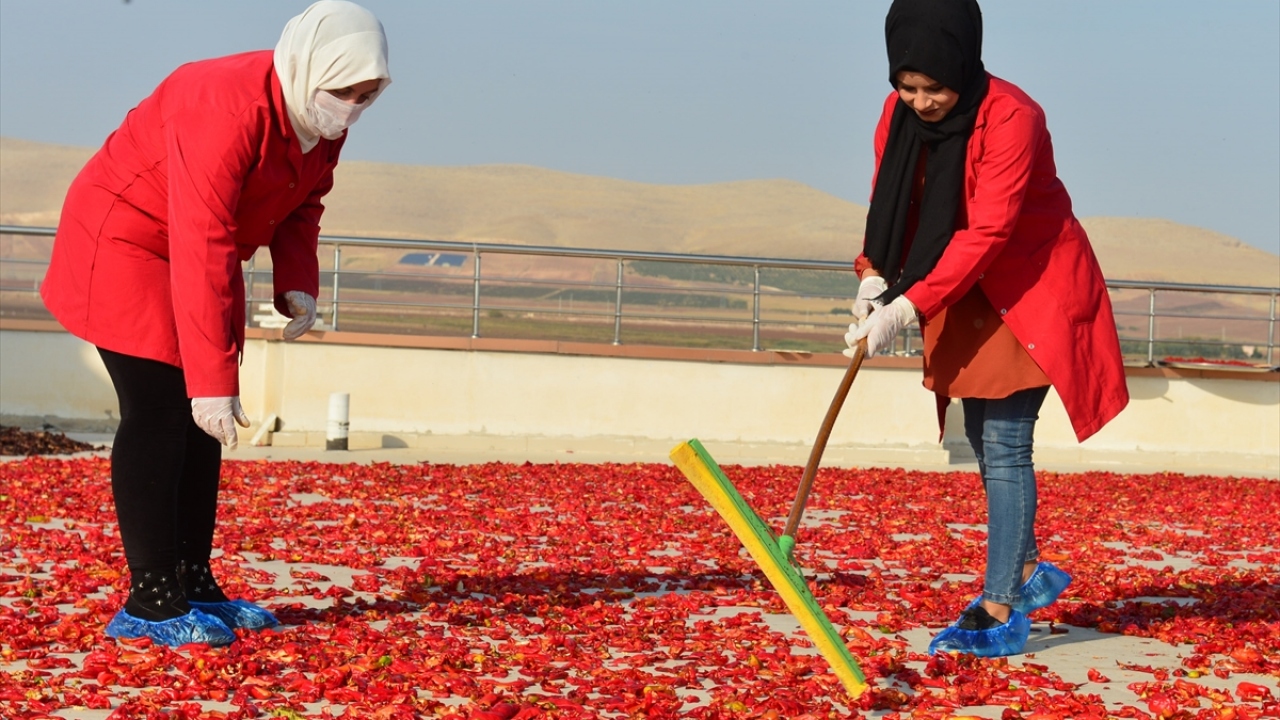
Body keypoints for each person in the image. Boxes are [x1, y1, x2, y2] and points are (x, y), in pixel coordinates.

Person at [40, 0, 390, 647]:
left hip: (206, 252)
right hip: (128, 241)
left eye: (367, 95)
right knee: (165, 409)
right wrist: (210, 378)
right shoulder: (224, 106)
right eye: (346, 92)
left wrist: (296, 284)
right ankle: (150, 598)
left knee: (208, 421)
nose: (353, 108)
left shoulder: (319, 119)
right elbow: (199, 236)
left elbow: (304, 204)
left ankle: (193, 581)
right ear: (311, 68)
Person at [845, 0, 1128, 657]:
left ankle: (999, 607)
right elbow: (892, 202)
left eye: (934, 88)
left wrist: (907, 308)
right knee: (977, 430)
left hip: (1025, 287)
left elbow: (990, 230)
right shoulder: (899, 113)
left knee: (1004, 441)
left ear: (964, 65)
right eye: (906, 87)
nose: (921, 102)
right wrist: (873, 278)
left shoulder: (1014, 116)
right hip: (957, 284)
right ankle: (1028, 572)